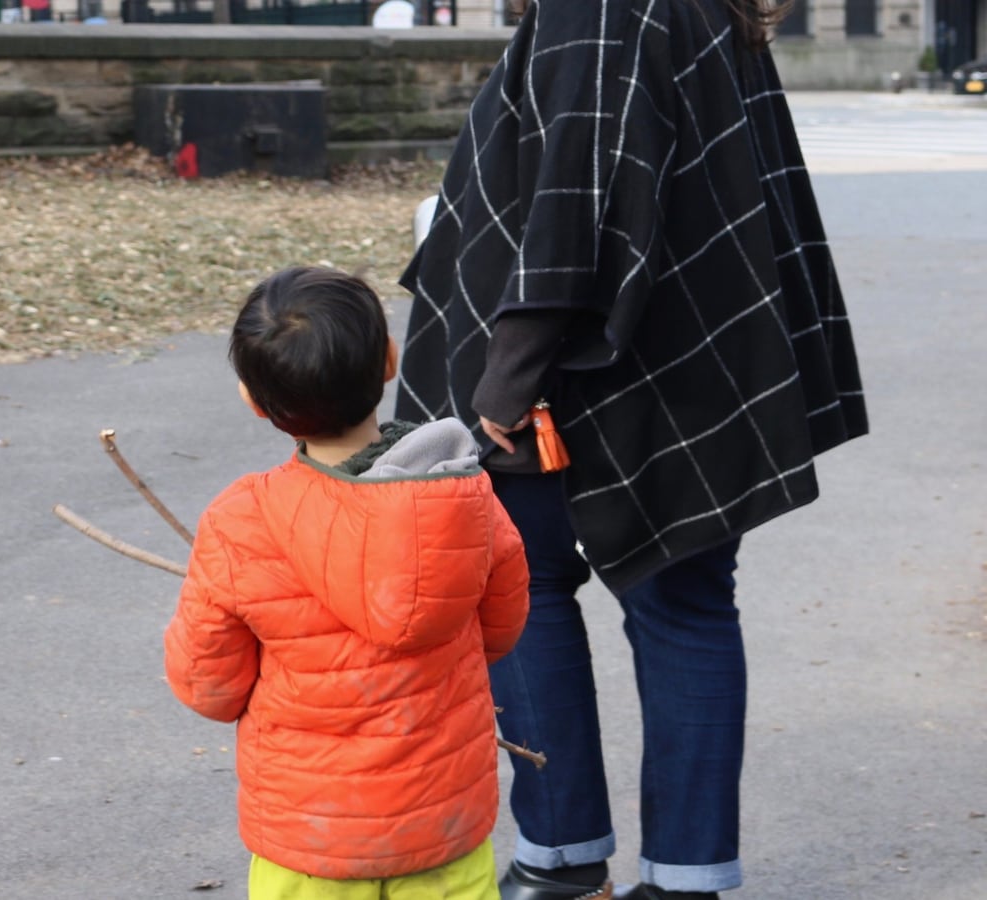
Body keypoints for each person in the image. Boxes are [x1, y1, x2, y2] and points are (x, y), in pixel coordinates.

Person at [394, 2, 868, 899]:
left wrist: (508, 376)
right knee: (684, 604)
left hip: (590, 369)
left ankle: (561, 857)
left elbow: (576, 195)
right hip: (690, 353)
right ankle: (681, 876)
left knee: (524, 588)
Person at [164, 266, 532, 900]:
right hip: (443, 825)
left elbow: (209, 688)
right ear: (389, 361)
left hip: (311, 837)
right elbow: (499, 632)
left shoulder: (241, 521)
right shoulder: (465, 501)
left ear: (254, 400)